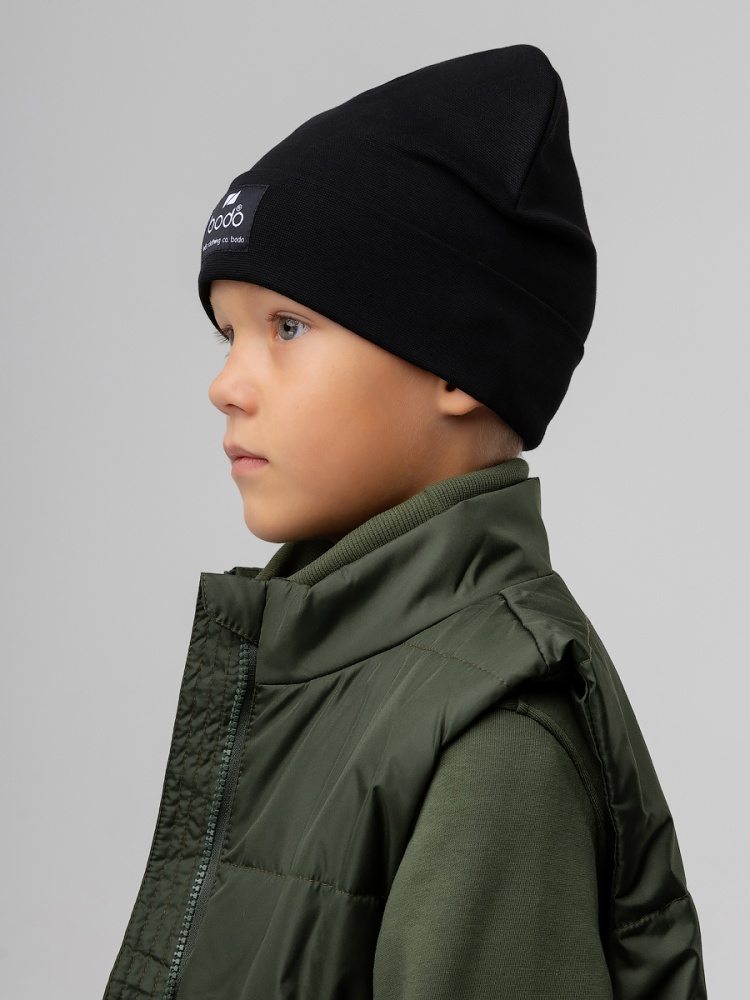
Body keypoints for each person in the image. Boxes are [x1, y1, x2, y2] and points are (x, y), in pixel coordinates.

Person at [104, 45, 707, 999]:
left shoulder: (492, 738)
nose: (226, 384)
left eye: (287, 327)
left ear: (457, 358)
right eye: (227, 334)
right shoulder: (332, 672)